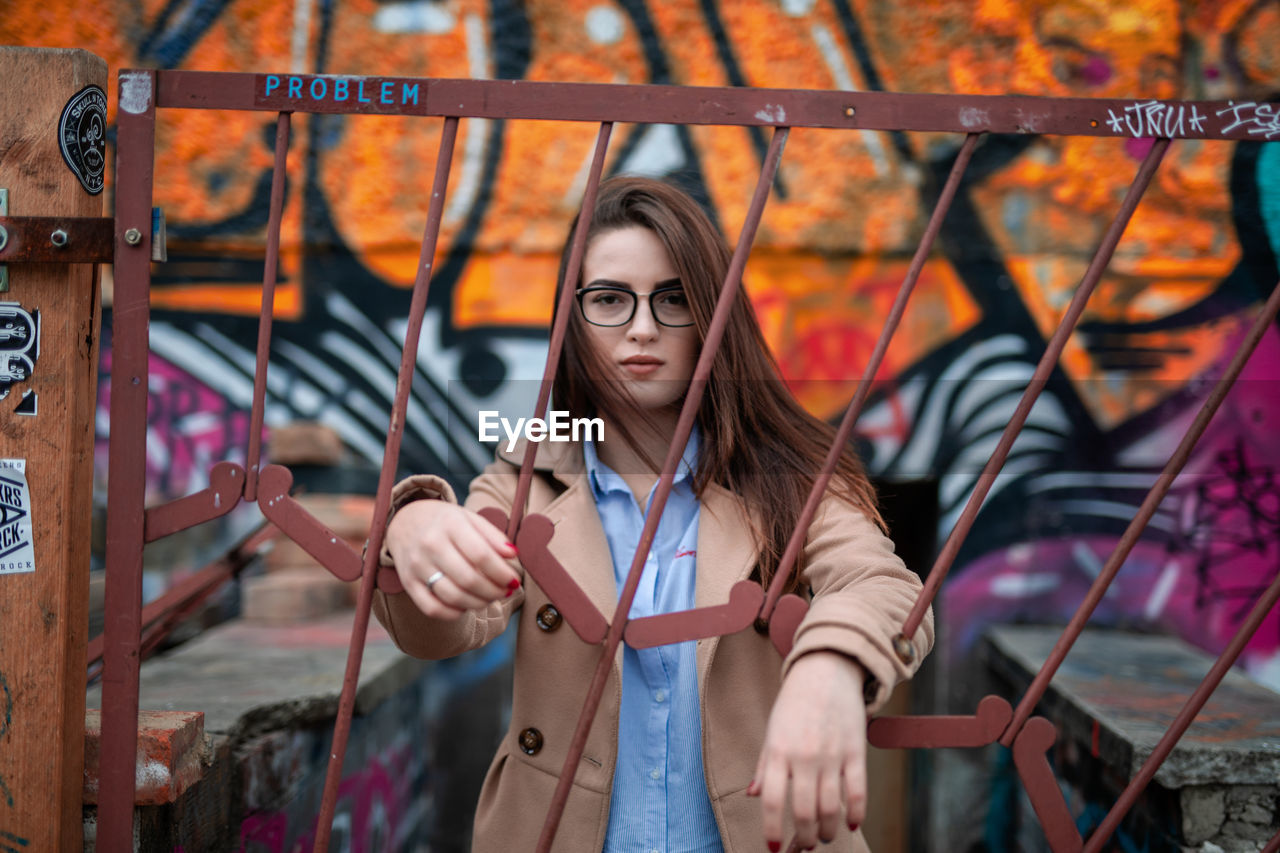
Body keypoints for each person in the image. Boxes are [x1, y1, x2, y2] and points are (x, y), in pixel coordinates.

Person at [373, 176, 933, 853]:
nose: (642, 328)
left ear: (713, 315)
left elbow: (886, 585)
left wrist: (831, 664)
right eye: (609, 299)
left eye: (673, 298)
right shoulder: (528, 480)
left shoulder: (794, 475)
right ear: (573, 320)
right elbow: (446, 626)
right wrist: (411, 524)